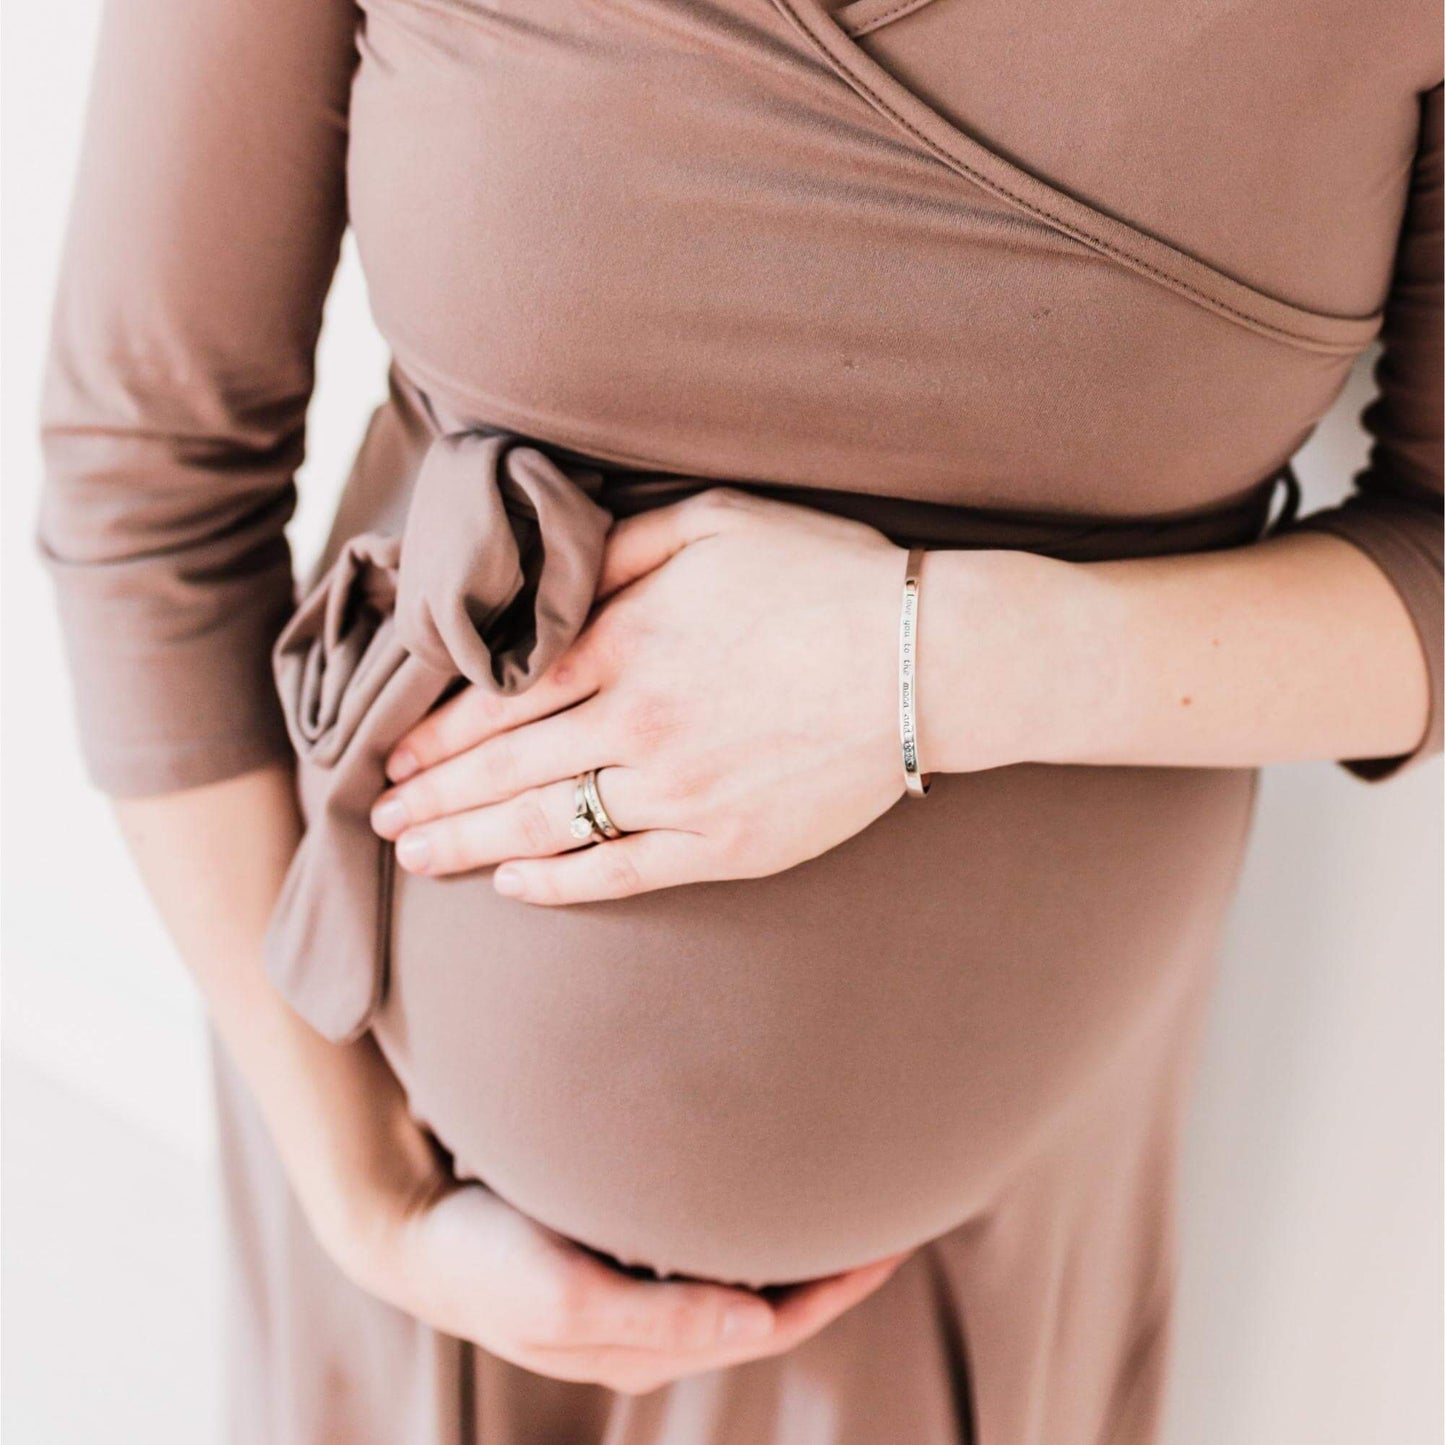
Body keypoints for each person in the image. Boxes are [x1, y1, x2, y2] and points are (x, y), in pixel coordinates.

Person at [37, 0, 1441, 1439]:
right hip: (402, 1180)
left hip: (989, 1250)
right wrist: (362, 1192)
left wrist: (929, 662)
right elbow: (149, 484)